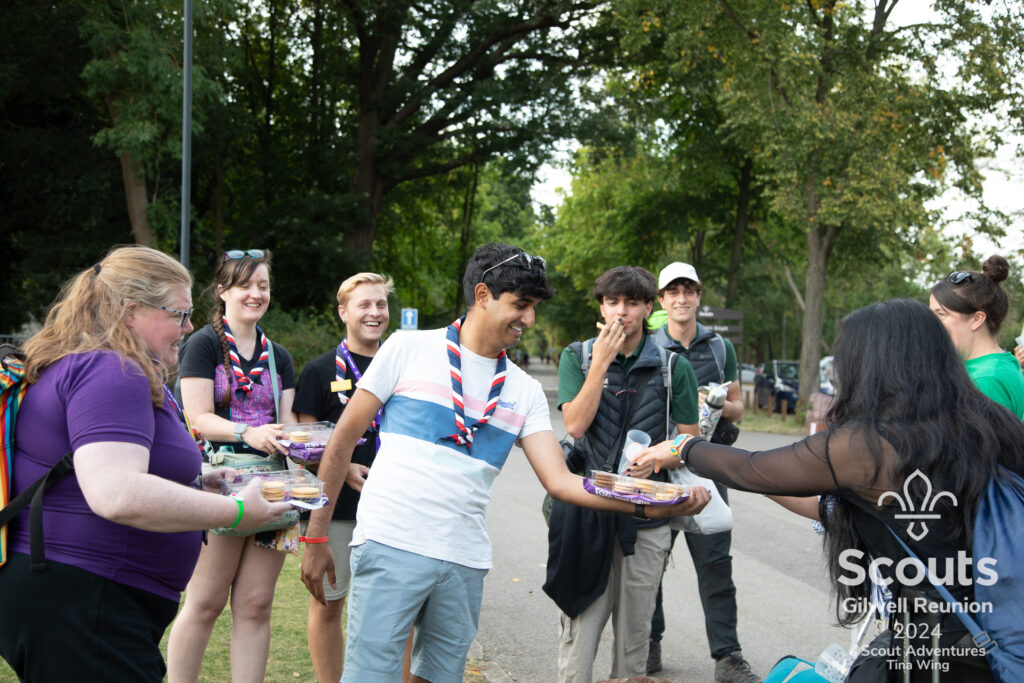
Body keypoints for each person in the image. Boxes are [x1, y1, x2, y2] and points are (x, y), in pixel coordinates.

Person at [300, 243, 710, 683]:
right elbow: (341, 440)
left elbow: (562, 482)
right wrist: (317, 534)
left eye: (532, 308)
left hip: (463, 561)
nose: (529, 320)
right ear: (482, 295)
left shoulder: (524, 390)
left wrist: (650, 503)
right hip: (390, 544)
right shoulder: (407, 349)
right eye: (521, 305)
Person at [638, 298, 1024, 681]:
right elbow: (836, 506)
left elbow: (754, 470)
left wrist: (683, 447)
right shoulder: (987, 422)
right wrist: (724, 470)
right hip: (997, 633)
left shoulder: (869, 445)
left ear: (871, 364)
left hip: (926, 648)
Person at [0, 246, 290, 681]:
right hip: (86, 600)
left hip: (78, 599)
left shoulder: (89, 362)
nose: (190, 326)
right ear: (131, 311)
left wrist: (197, 480)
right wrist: (238, 510)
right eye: (179, 313)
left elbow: (95, 467)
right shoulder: (112, 369)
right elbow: (116, 493)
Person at [545, 266, 701, 683]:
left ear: (650, 308)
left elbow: (690, 443)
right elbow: (575, 426)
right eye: (612, 302)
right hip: (587, 517)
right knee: (579, 640)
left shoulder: (674, 368)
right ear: (601, 306)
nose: (621, 311)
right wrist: (601, 362)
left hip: (646, 521)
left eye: (632, 302)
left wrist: (659, 458)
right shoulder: (576, 357)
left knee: (634, 648)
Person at [166, 248, 298, 683]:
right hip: (219, 484)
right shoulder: (202, 343)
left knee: (256, 605)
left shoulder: (279, 355)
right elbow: (197, 418)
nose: (255, 294)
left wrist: (304, 443)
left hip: (275, 486)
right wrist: (248, 433)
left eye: (263, 285)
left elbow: (289, 422)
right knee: (204, 602)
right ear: (222, 291)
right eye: (245, 285)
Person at [648, 262, 759, 682]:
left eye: (688, 290)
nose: (681, 298)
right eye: (672, 291)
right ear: (662, 300)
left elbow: (738, 408)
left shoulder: (720, 348)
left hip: (709, 466)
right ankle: (648, 643)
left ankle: (727, 658)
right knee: (652, 560)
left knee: (716, 564)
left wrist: (715, 404)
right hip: (660, 470)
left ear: (698, 296)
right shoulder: (649, 344)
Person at [291, 272, 405, 683]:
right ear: (343, 312)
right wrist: (344, 466)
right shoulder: (320, 371)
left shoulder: (403, 367)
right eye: (364, 305)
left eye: (381, 305)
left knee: (399, 609)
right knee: (329, 604)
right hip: (336, 510)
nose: (374, 313)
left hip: (394, 506)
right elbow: (302, 449)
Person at [929, 255, 1024, 419]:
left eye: (942, 315)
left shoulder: (984, 380)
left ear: (977, 319)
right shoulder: (1001, 362)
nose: (932, 324)